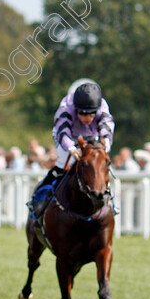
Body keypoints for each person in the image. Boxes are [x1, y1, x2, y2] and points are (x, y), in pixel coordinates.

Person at [29, 78, 114, 219]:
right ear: (76, 109)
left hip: (92, 135)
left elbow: (107, 126)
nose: (87, 117)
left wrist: (105, 142)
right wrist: (71, 148)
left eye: (91, 113)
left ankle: (109, 200)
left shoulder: (102, 105)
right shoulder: (66, 106)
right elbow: (62, 130)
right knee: (64, 163)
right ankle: (40, 201)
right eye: (82, 113)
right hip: (67, 135)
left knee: (100, 164)